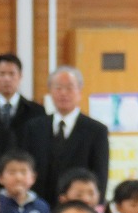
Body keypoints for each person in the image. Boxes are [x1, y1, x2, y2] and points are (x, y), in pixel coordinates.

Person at [19, 66, 108, 205]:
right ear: (50, 92)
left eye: (69, 88)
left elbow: (100, 174)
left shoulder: (96, 130)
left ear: (80, 91)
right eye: (58, 88)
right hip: (39, 203)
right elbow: (26, 166)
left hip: (78, 204)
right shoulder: (34, 127)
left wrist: (97, 207)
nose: (63, 93)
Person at [0, 53, 45, 136]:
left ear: (20, 76)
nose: (7, 79)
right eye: (2, 74)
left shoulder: (36, 111)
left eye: (11, 74)